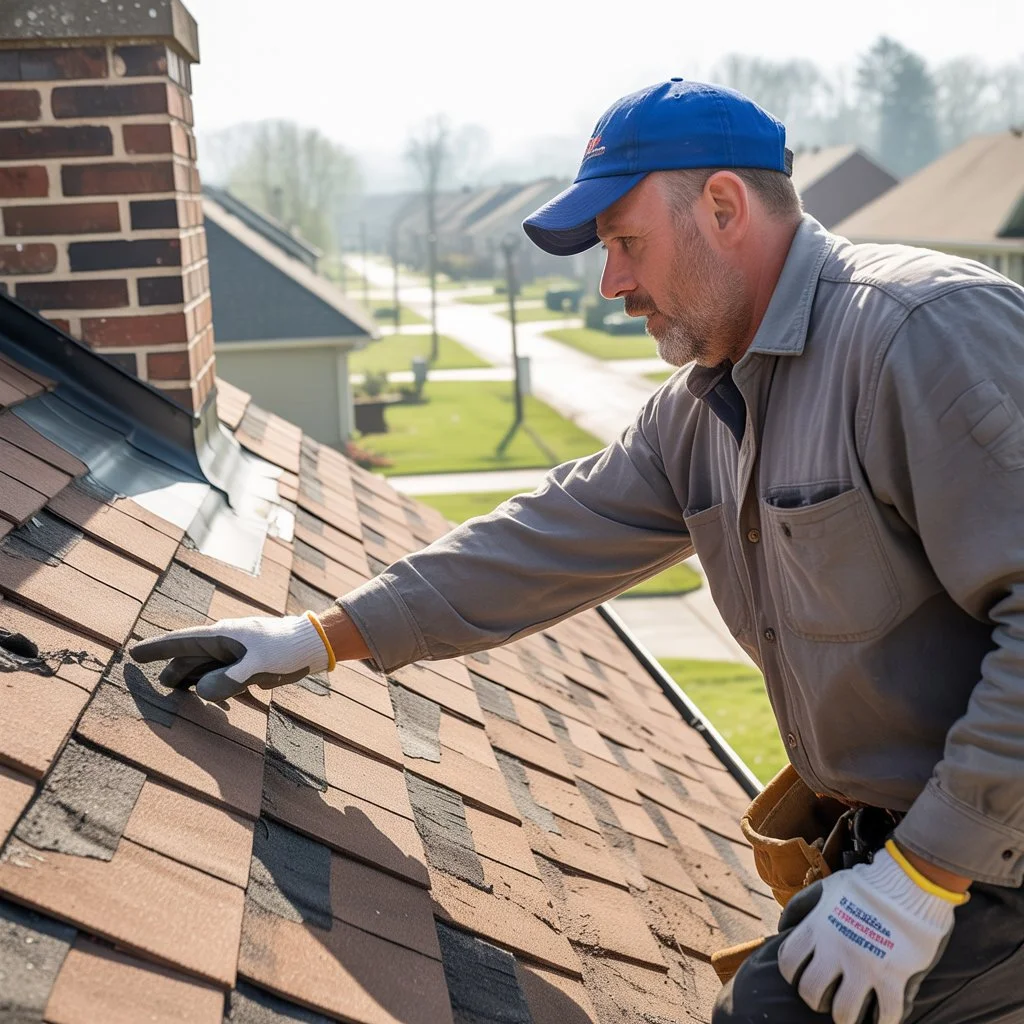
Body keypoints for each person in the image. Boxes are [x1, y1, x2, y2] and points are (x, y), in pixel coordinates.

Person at [133, 79, 1024, 1023]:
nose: (612, 284)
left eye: (626, 243)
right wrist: (317, 637)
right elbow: (541, 541)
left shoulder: (920, 334)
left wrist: (922, 880)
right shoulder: (703, 412)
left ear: (723, 206)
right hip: (904, 858)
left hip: (982, 856)